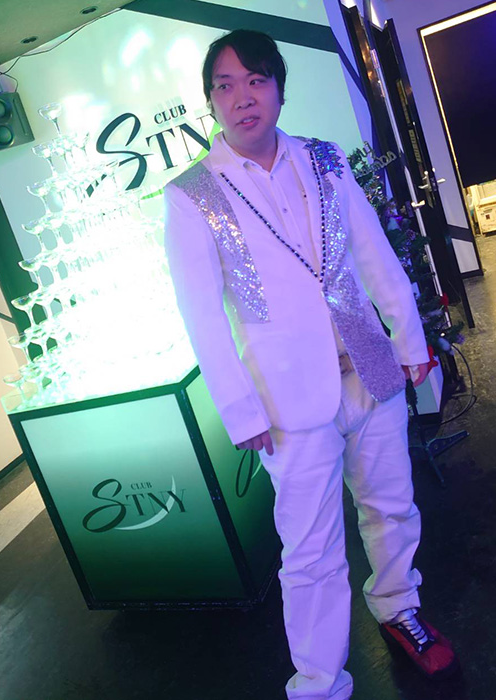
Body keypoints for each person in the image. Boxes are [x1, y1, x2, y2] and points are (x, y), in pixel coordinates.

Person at [163, 29, 458, 700]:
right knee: (310, 551)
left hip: (370, 369)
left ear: (278, 88)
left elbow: (372, 249)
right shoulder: (192, 196)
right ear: (210, 101)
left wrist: (409, 340)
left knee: (392, 506)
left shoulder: (322, 158)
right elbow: (201, 315)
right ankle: (320, 682)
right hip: (284, 403)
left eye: (256, 80)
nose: (243, 97)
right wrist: (239, 410)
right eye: (225, 86)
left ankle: (399, 608)